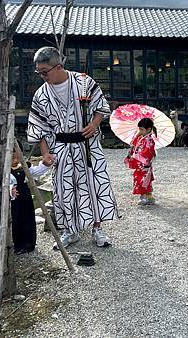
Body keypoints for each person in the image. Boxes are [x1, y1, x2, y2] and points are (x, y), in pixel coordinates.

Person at [27, 46, 118, 249]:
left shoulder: (84, 82)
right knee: (64, 189)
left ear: (58, 66)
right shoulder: (41, 95)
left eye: (44, 72)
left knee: (94, 185)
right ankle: (71, 230)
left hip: (87, 144)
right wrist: (45, 153)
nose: (42, 76)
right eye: (39, 72)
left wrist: (94, 125)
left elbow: (101, 108)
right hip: (60, 146)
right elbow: (39, 126)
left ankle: (97, 228)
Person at [9, 145, 52, 254]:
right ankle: (16, 245)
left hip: (25, 197)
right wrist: (10, 191)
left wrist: (46, 165)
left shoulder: (24, 166)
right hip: (12, 201)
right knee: (15, 221)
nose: (15, 161)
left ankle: (28, 244)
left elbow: (36, 172)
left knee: (27, 219)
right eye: (12, 158)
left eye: (17, 158)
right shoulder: (2, 170)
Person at [124, 117, 157, 206]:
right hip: (140, 164)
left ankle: (144, 198)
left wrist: (135, 156)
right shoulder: (142, 138)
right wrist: (138, 135)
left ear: (149, 129)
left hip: (143, 164)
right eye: (139, 129)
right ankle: (149, 197)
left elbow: (147, 153)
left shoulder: (149, 140)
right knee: (145, 181)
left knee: (142, 181)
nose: (140, 131)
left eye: (142, 129)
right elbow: (133, 144)